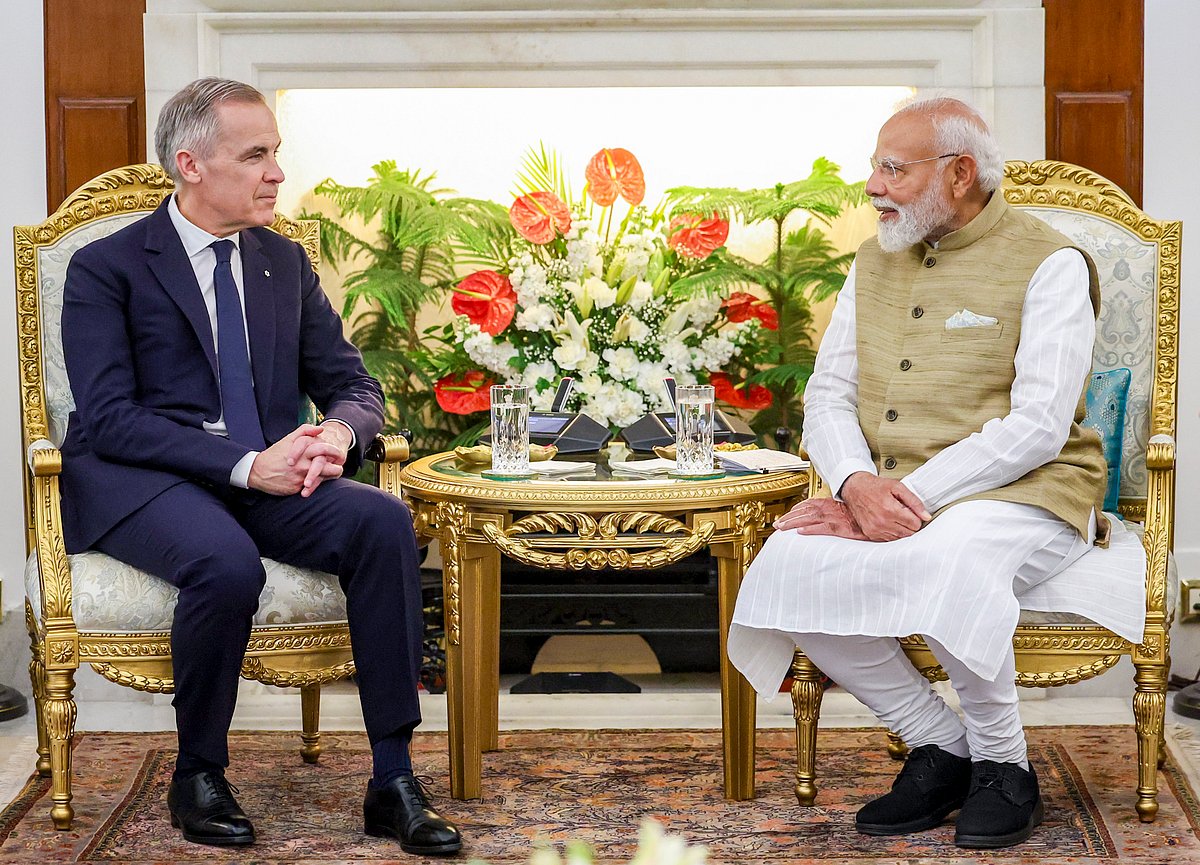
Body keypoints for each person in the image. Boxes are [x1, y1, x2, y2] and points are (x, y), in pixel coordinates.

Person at [726, 97, 1146, 850]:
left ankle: (1004, 767)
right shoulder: (871, 259)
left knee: (954, 554)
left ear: (958, 174)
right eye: (874, 166)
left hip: (1031, 489)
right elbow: (829, 393)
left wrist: (910, 498)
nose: (872, 186)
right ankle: (940, 745)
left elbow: (1039, 425)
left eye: (894, 168)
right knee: (790, 560)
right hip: (886, 486)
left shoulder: (1049, 263)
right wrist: (856, 487)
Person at [60, 78, 461, 855]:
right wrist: (247, 463)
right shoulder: (106, 267)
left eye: (276, 152)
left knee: (382, 518)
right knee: (224, 561)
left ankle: (393, 777)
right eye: (255, 155)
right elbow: (108, 417)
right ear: (191, 165)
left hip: (269, 474)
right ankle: (199, 773)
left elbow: (352, 384)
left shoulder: (283, 262)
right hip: (149, 480)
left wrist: (341, 436)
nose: (277, 172)